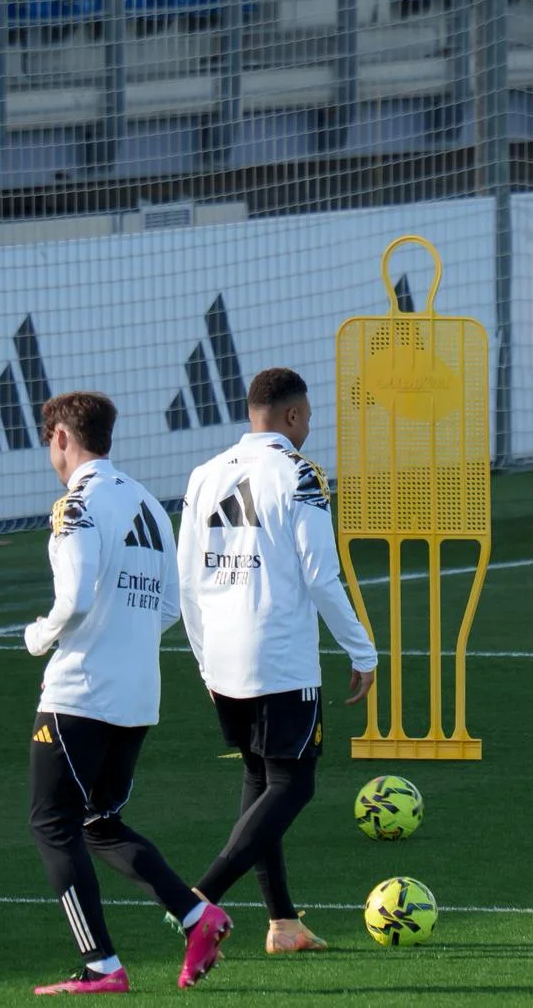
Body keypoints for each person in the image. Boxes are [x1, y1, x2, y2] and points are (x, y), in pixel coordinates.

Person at [25, 391, 231, 995]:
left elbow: (74, 601)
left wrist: (40, 636)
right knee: (98, 820)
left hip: (80, 693)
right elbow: (169, 605)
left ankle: (101, 965)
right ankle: (196, 914)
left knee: (52, 823)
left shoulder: (76, 505)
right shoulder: (146, 502)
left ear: (62, 438)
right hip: (139, 695)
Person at [175, 367, 377, 955]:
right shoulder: (299, 473)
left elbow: (186, 581)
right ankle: (200, 897)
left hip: (223, 655)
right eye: (308, 416)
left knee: (259, 779)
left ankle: (283, 924)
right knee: (293, 783)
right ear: (291, 415)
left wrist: (204, 662)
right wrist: (362, 650)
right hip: (279, 655)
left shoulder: (204, 474)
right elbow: (321, 574)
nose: (309, 426)